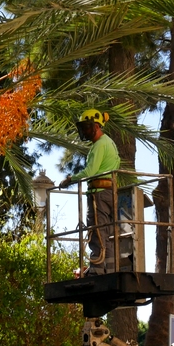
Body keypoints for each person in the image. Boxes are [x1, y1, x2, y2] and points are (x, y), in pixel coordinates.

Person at [60, 109, 120, 275]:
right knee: (106, 233)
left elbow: (90, 171)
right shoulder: (109, 142)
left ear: (96, 126)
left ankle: (96, 269)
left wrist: (71, 179)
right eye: (83, 128)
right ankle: (108, 269)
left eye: (87, 127)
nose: (84, 131)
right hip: (109, 192)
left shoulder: (100, 145)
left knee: (96, 232)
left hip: (99, 194)